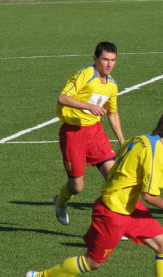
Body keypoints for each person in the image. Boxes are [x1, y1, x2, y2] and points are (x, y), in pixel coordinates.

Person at [25, 109, 163, 277]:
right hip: (113, 213)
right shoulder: (158, 154)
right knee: (92, 262)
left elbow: (116, 165)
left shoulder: (139, 139)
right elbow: (149, 196)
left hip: (129, 207)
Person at [54, 41, 125, 226]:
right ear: (95, 59)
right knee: (77, 187)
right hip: (74, 133)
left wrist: (122, 142)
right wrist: (89, 106)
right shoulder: (85, 75)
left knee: (115, 179)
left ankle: (117, 225)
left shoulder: (112, 86)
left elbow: (112, 112)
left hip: (95, 133)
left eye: (113, 60)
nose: (109, 64)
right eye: (105, 59)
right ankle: (60, 202)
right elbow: (62, 98)